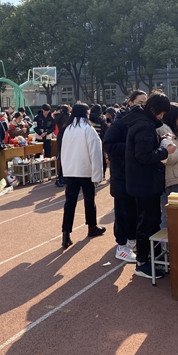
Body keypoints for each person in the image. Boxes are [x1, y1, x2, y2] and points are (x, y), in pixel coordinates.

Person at [124, 91, 176, 280]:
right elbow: (143, 156)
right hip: (144, 183)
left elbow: (145, 150)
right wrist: (165, 151)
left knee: (151, 221)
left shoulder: (143, 123)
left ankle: (151, 258)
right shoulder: (144, 126)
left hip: (144, 182)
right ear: (154, 109)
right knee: (147, 222)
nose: (162, 117)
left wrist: (161, 142)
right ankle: (142, 261)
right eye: (161, 113)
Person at [103, 90, 147, 263]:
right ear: (130, 103)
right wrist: (130, 147)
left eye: (145, 103)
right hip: (121, 175)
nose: (143, 106)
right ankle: (121, 246)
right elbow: (108, 144)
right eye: (140, 102)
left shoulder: (142, 121)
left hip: (135, 175)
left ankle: (131, 241)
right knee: (123, 211)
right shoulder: (120, 122)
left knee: (133, 211)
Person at [60, 103, 105, 249]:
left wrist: (65, 169)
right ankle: (92, 226)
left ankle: (66, 233)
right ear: (86, 113)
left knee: (70, 202)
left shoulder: (68, 129)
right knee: (89, 200)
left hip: (71, 171)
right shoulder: (88, 129)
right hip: (85, 171)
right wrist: (98, 175)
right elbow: (95, 153)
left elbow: (63, 151)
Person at [53, 105, 72, 187]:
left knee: (63, 156)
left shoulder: (59, 116)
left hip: (61, 136)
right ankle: (61, 177)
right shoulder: (68, 117)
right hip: (65, 137)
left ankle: (62, 177)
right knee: (65, 157)